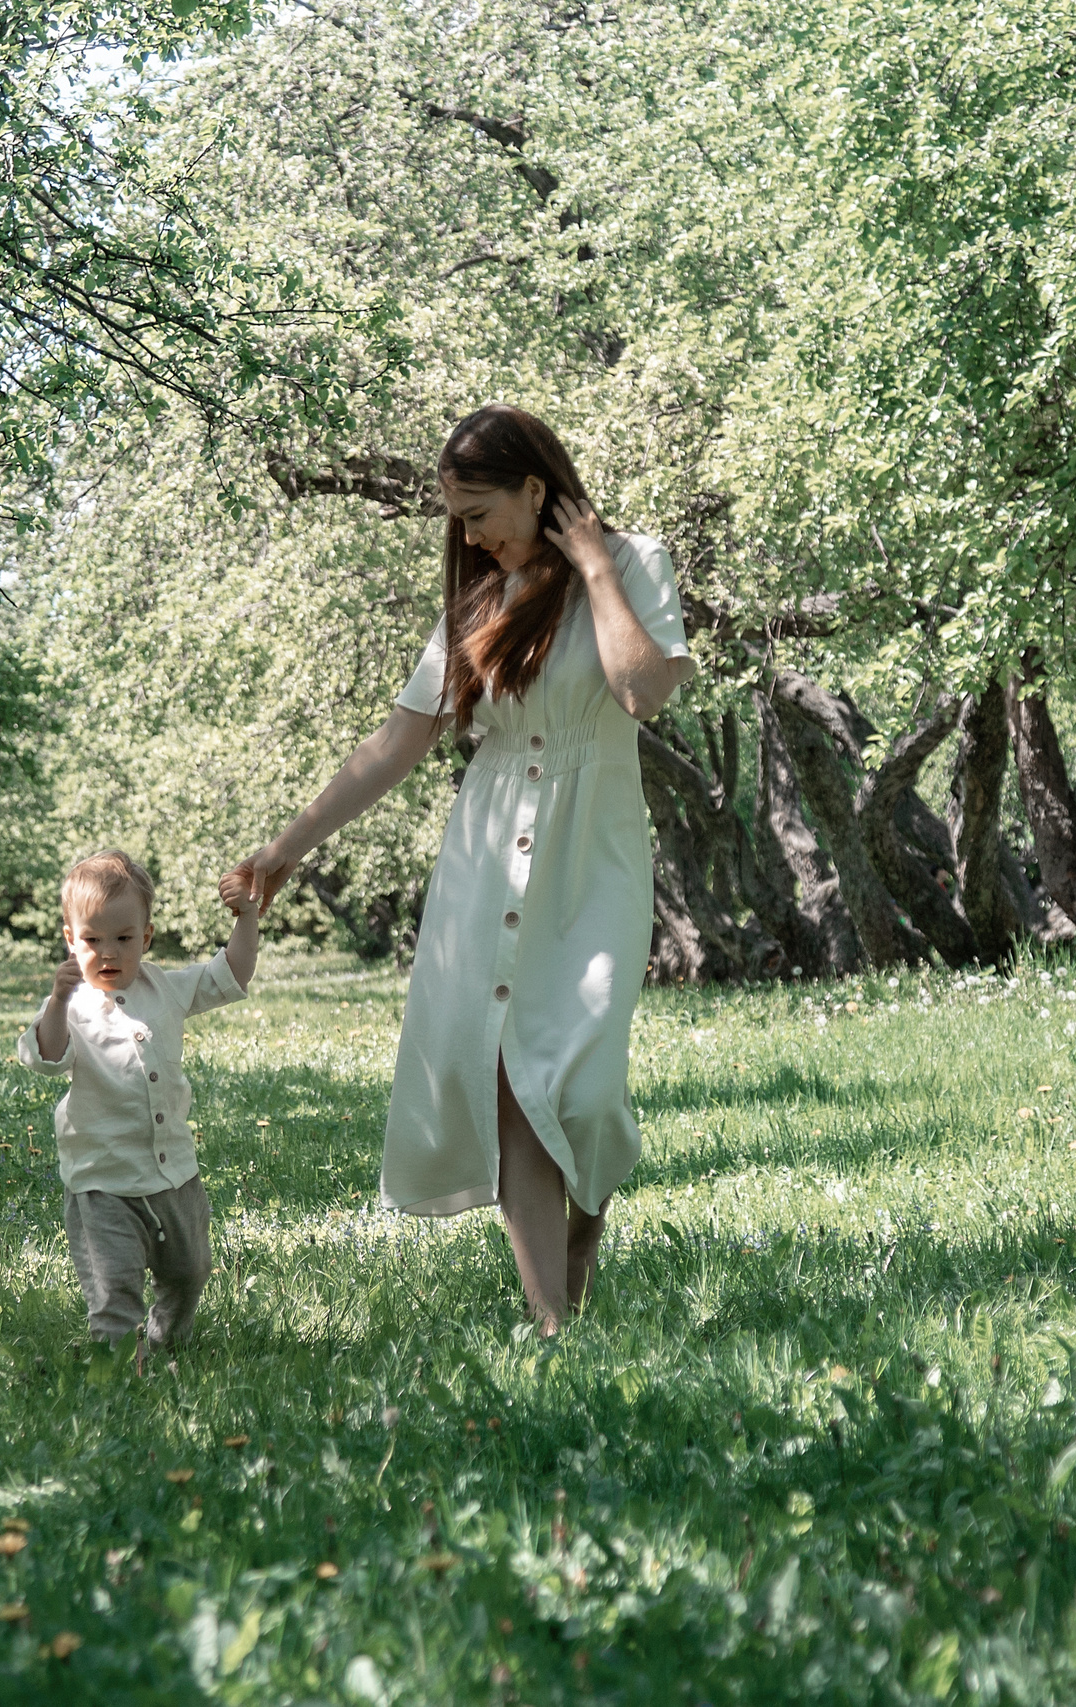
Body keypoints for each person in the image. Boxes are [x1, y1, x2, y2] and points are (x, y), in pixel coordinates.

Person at [226, 403, 695, 1336]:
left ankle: (582, 1233)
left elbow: (641, 690)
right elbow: (397, 744)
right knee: (512, 1078)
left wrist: (597, 569)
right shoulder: (479, 598)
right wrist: (285, 845)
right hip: (488, 855)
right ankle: (551, 1319)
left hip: (592, 855)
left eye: (482, 512)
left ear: (535, 487)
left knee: (587, 1081)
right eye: (459, 520)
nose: (472, 537)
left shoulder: (636, 561)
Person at [19, 849, 260, 1351]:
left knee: (190, 1272)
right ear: (70, 940)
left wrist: (247, 917)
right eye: (91, 940)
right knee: (115, 1286)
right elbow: (46, 1057)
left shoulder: (166, 989)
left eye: (124, 939)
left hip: (174, 1173)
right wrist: (58, 1003)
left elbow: (231, 972)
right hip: (103, 1179)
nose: (107, 953)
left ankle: (166, 1344)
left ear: (145, 937)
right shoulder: (70, 1006)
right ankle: (118, 1373)